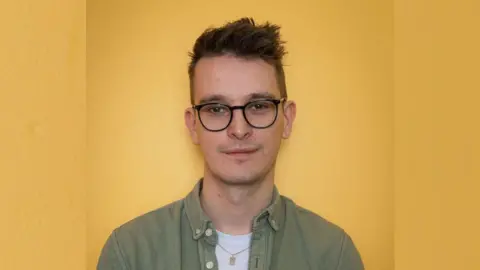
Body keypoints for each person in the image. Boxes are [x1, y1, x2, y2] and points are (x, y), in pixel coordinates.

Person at [97, 17, 364, 270]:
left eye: (258, 105)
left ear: (287, 118)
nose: (239, 129)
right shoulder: (129, 253)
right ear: (193, 125)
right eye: (216, 109)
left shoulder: (333, 255)